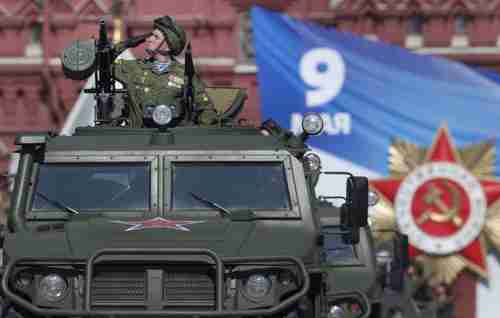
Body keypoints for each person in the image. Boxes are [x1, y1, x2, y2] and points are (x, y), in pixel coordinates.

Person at [112, 16, 217, 128]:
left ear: (168, 45)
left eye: (155, 37)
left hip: (175, 139)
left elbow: (206, 109)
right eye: (150, 35)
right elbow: (103, 63)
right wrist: (127, 44)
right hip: (139, 137)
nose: (148, 39)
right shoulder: (134, 68)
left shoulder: (184, 74)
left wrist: (195, 138)